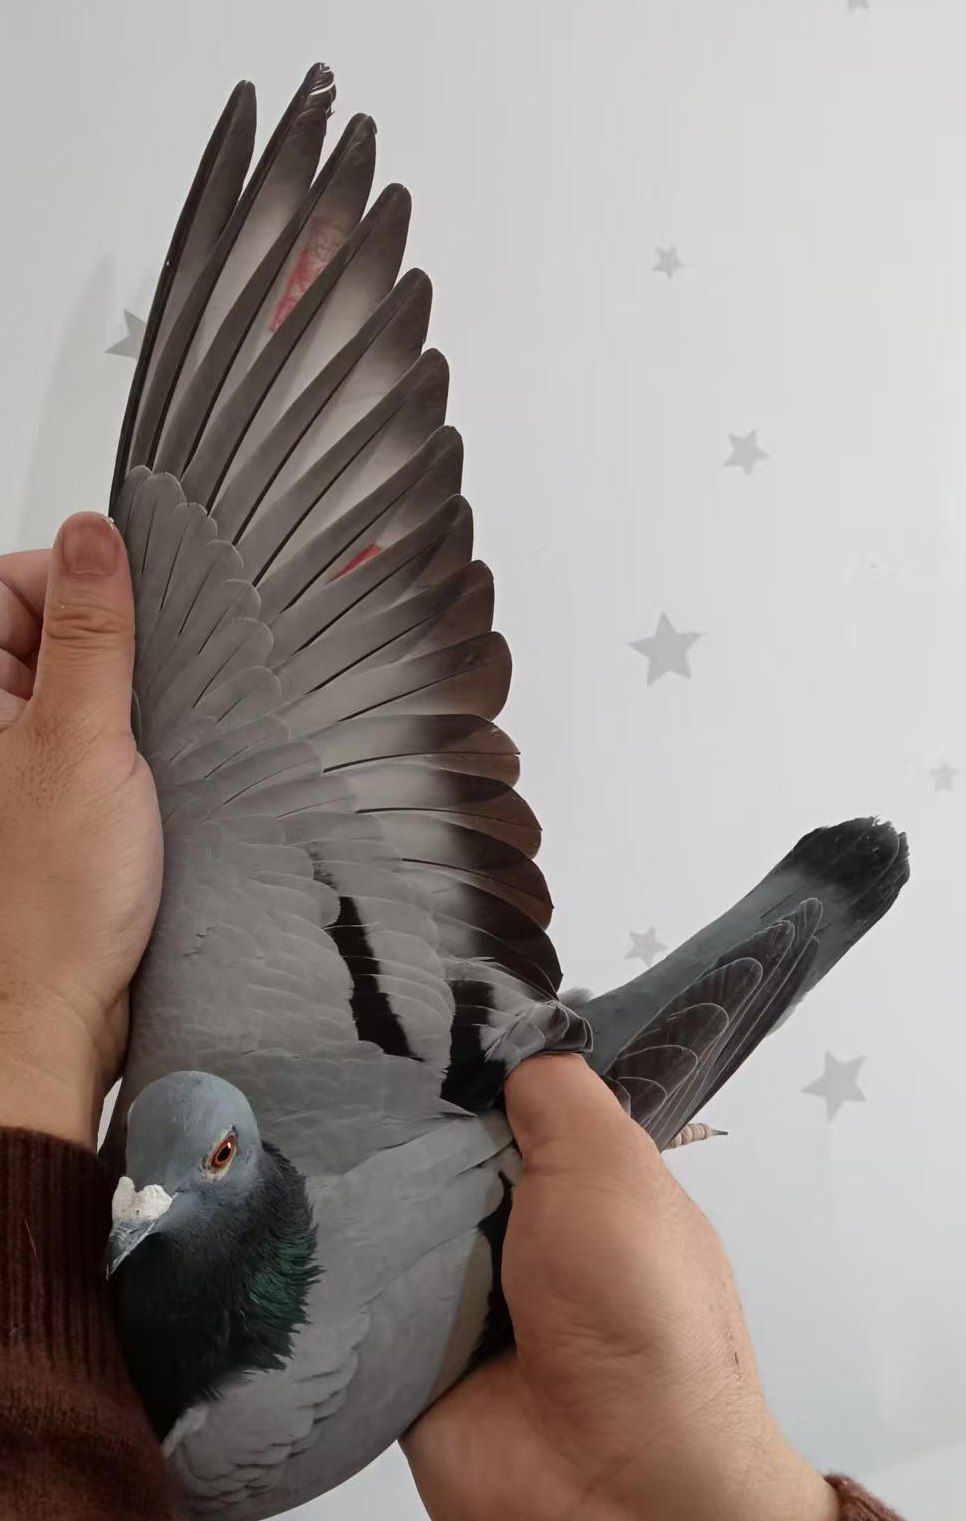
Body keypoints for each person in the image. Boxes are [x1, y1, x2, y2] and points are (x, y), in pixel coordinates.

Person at [0, 513, 901, 1521]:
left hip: (499, 1135)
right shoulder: (204, 1454)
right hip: (499, 1126)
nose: (138, 1200)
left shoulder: (192, 1428)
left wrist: (38, 1015)